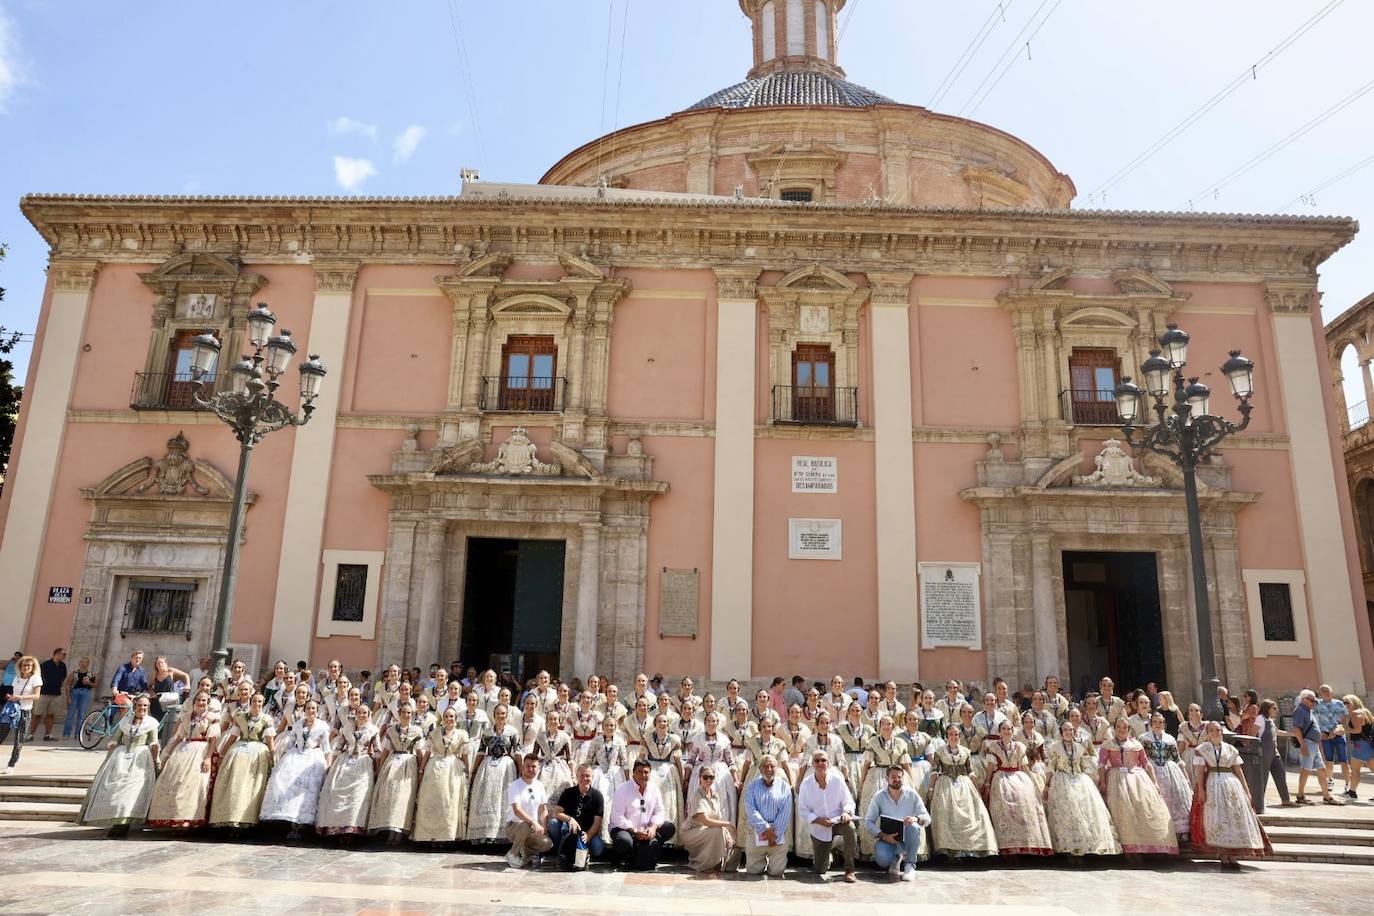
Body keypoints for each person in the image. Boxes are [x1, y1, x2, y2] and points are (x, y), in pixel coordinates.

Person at [1190, 721, 1273, 865]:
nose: (1216, 733)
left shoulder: (1230, 749)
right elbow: (1200, 771)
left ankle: (1232, 853)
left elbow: (1238, 771)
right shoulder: (1202, 749)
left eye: (1218, 730)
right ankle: (1222, 853)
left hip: (1231, 785)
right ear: (1208, 733)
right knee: (1218, 818)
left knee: (1234, 818)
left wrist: (1246, 790)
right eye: (1212, 731)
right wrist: (1201, 790)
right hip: (1212, 783)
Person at [77, 695, 160, 835]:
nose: (142, 708)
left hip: (140, 759)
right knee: (115, 790)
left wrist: (156, 754)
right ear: (135, 706)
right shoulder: (125, 722)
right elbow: (116, 739)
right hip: (121, 758)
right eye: (140, 705)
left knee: (130, 792)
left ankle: (124, 825)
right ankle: (116, 822)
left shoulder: (151, 723)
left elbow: (153, 741)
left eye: (145, 706)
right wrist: (112, 748)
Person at [1098, 717, 1178, 855]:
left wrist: (1154, 782)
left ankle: (1143, 845)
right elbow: (1101, 765)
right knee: (1122, 810)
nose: (1122, 730)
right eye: (1119, 727)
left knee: (1144, 808)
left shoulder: (1136, 744)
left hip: (1137, 778)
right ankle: (1125, 847)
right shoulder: (1107, 745)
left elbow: (1146, 764)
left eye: (1125, 728)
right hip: (1116, 778)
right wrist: (1103, 782)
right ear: (1114, 728)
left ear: (1129, 729)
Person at [1043, 720, 1120, 856]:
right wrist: (1047, 785)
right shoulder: (1055, 747)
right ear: (1061, 733)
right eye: (1066, 730)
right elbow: (1050, 767)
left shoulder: (1079, 747)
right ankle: (1069, 849)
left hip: (1079, 779)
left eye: (1071, 730)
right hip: (1062, 779)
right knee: (1068, 812)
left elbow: (1084, 765)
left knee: (1086, 810)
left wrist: (1091, 777)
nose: (1069, 732)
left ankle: (1086, 847)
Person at [260, 697, 332, 837]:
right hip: (296, 755)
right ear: (304, 710)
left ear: (317, 711)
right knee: (284, 782)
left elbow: (327, 749)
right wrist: (282, 761)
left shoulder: (322, 726)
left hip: (312, 757)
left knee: (309, 787)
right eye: (308, 708)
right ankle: (290, 823)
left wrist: (328, 765)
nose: (311, 711)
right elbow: (290, 744)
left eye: (313, 709)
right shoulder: (298, 724)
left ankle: (303, 824)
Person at [147, 690, 219, 829]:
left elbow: (213, 740)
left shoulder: (211, 718)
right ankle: (172, 816)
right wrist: (168, 751)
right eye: (198, 700)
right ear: (194, 702)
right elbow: (179, 736)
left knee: (193, 783)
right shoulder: (187, 717)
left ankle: (187, 817)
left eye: (204, 700)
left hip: (200, 749)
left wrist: (208, 758)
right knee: (175, 779)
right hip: (184, 748)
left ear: (208, 703)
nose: (201, 703)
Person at [982, 720, 1053, 856]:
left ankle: (1024, 844)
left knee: (1023, 807)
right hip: (1001, 778)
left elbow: (1024, 766)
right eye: (1004, 729)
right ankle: (1007, 848)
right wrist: (987, 783)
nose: (1007, 731)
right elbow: (990, 766)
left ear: (1012, 730)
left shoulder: (1019, 746)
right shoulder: (993, 746)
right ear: (999, 731)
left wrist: (1032, 783)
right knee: (1005, 810)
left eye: (1009, 729)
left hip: (1018, 776)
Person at [209, 692, 277, 830]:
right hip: (239, 749)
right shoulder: (241, 717)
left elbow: (270, 740)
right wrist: (222, 754)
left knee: (250, 784)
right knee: (234, 781)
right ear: (250, 702)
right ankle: (228, 816)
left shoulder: (266, 719)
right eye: (254, 701)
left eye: (260, 702)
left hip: (257, 751)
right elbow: (232, 737)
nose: (257, 704)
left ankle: (246, 819)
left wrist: (272, 755)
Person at [928, 724, 998, 859]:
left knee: (974, 813)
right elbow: (935, 770)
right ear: (946, 736)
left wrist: (977, 788)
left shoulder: (965, 751)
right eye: (951, 735)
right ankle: (950, 851)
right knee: (947, 814)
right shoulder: (940, 751)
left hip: (964, 784)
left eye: (956, 734)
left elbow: (970, 771)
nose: (954, 737)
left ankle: (969, 850)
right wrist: (931, 788)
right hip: (945, 784)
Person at [316, 702, 379, 839]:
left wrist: (376, 768)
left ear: (368, 715)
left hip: (363, 762)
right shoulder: (346, 729)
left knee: (358, 794)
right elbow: (338, 748)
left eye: (365, 713)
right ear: (355, 714)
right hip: (345, 761)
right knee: (336, 790)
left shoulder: (373, 730)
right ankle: (337, 828)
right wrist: (331, 765)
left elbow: (378, 751)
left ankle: (353, 829)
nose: (362, 715)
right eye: (359, 712)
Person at [797, 750, 859, 883]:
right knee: (820, 869)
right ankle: (831, 856)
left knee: (850, 829)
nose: (820, 763)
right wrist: (819, 821)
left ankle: (849, 869)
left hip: (838, 822)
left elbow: (848, 801)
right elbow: (803, 809)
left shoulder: (838, 781)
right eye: (817, 761)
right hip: (819, 827)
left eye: (823, 760)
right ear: (812, 764)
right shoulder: (806, 784)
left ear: (828, 763)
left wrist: (846, 812)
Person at [368, 701, 424, 842]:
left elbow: (419, 752)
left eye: (409, 713)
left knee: (403, 798)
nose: (406, 715)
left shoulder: (417, 731)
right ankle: (390, 830)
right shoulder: (391, 730)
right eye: (404, 712)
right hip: (393, 763)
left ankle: (399, 832)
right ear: (399, 714)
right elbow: (386, 750)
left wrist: (421, 769)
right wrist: (380, 770)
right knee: (391, 796)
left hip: (409, 764)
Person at [864, 763, 931, 880]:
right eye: (893, 777)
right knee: (882, 859)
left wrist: (916, 818)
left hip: (908, 839)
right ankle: (895, 859)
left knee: (914, 826)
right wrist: (884, 836)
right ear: (887, 778)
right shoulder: (879, 796)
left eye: (899, 777)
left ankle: (910, 865)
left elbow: (927, 818)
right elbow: (868, 821)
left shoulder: (912, 794)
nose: (897, 779)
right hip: (888, 839)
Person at [467, 704, 522, 842]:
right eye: (498, 713)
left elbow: (518, 752)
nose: (500, 716)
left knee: (502, 797)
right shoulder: (487, 732)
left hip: (506, 766)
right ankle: (485, 834)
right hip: (488, 766)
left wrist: (520, 771)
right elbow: (481, 751)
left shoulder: (512, 732)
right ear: (494, 715)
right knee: (487, 796)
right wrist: (473, 770)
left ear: (507, 715)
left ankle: (501, 835)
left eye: (503, 713)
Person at [610, 757, 676, 870]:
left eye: (646, 772)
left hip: (646, 830)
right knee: (624, 841)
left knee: (669, 827)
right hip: (626, 830)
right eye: (639, 772)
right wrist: (635, 831)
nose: (643, 775)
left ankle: (646, 849)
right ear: (633, 773)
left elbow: (660, 812)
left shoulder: (654, 789)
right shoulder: (623, 789)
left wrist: (653, 828)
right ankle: (624, 856)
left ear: (650, 774)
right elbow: (617, 817)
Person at [1141, 711, 1193, 840]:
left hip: (1169, 770)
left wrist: (1185, 776)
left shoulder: (1169, 738)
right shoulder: (1144, 738)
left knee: (1175, 797)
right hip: (1151, 769)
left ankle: (1176, 831)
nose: (1158, 724)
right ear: (1151, 723)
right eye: (1155, 722)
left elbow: (1176, 758)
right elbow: (1142, 758)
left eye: (1161, 722)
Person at [741, 755, 792, 877]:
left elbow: (785, 812)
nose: (769, 769)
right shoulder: (751, 787)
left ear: (777, 768)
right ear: (760, 769)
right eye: (765, 766)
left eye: (772, 766)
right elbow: (750, 810)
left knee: (777, 873)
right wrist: (765, 829)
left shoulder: (784, 787)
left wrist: (774, 835)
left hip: (777, 837)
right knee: (753, 872)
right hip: (756, 834)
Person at [549, 762, 606, 869]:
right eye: (582, 775)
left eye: (588, 776)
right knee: (553, 823)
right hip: (569, 831)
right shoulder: (568, 793)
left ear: (592, 777)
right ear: (577, 776)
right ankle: (560, 852)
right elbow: (556, 812)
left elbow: (597, 822)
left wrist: (588, 835)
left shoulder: (598, 796)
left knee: (598, 849)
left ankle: (583, 851)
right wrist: (570, 819)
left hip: (587, 831)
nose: (585, 778)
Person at [683, 764, 738, 873]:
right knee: (717, 831)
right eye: (705, 777)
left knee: (722, 833)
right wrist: (728, 824)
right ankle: (709, 864)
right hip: (693, 831)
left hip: (707, 831)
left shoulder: (715, 795)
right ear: (700, 778)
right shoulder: (697, 795)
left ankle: (719, 862)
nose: (708, 780)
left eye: (711, 777)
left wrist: (727, 834)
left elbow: (717, 818)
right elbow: (705, 821)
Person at [505, 755, 554, 868]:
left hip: (531, 828)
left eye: (534, 766)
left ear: (538, 768)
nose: (530, 769)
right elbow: (517, 811)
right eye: (528, 766)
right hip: (514, 826)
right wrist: (534, 822)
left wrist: (544, 828)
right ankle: (512, 854)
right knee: (527, 824)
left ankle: (525, 853)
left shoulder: (539, 785)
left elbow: (543, 809)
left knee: (547, 843)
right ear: (522, 767)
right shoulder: (515, 785)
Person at [1292, 688, 1339, 805]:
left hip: (1313, 744)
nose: (1314, 703)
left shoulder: (1308, 711)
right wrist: (1303, 746)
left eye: (1315, 701)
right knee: (1306, 770)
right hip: (1307, 743)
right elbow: (1297, 729)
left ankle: (1327, 796)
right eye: (1311, 700)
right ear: (1304, 699)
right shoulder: (1300, 710)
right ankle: (1300, 795)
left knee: (1322, 770)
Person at [2, 656, 41, 771]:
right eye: (24, 665)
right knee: (2, 733)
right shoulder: (17, 678)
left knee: (19, 738)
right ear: (20, 666)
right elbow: (14, 692)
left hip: (25, 711)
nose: (26, 668)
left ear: (33, 667)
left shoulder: (36, 679)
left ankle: (11, 765)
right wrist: (11, 697)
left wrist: (21, 697)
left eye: (29, 665)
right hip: (13, 710)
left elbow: (37, 696)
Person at [1316, 684, 1352, 799]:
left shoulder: (1339, 703)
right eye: (1323, 691)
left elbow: (1345, 718)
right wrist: (1320, 732)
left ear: (1331, 692)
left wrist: (1337, 731)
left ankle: (1348, 784)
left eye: (1327, 691)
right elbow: (1315, 719)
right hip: (1325, 735)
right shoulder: (1318, 704)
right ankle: (1330, 780)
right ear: (1320, 693)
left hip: (1338, 734)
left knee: (1344, 761)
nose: (1326, 693)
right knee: (1328, 760)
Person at [1344, 697, 1374, 801]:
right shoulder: (1366, 712)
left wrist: (1345, 730)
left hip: (1361, 746)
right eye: (1344, 703)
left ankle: (1352, 792)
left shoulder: (1355, 713)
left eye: (1347, 702)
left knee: (1355, 770)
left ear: (1354, 702)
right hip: (1370, 745)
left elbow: (1357, 730)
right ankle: (1351, 792)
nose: (1345, 705)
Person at [34, 648, 67, 741]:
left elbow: (63, 678)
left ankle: (48, 735)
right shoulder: (45, 665)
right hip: (44, 693)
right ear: (56, 654)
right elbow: (38, 677)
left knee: (51, 715)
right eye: (63, 654)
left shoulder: (63, 666)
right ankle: (31, 734)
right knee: (37, 714)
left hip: (56, 694)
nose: (64, 656)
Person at [62, 656, 97, 741]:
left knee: (81, 715)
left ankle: (78, 734)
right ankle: (66, 733)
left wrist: (89, 682)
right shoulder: (74, 673)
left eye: (85, 662)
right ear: (79, 663)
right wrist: (68, 697)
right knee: (70, 714)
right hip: (74, 692)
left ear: (88, 664)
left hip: (85, 693)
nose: (83, 664)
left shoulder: (91, 674)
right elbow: (68, 685)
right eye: (81, 662)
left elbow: (96, 685)